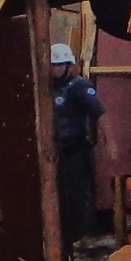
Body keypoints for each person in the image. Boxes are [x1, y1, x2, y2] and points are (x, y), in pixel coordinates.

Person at [49, 42, 105, 246]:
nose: (54, 69)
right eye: (52, 65)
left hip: (75, 151)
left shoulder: (79, 87)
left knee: (77, 197)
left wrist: (109, 143)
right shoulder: (45, 88)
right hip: (54, 154)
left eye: (58, 65)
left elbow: (99, 112)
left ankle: (80, 239)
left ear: (67, 65)